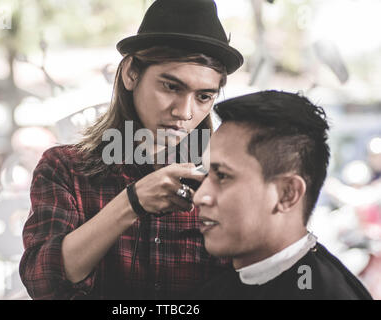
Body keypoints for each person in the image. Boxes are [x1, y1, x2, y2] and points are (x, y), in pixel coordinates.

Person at [19, 0, 244, 299]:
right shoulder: (65, 169)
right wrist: (131, 203)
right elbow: (43, 284)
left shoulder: (223, 182)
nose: (184, 111)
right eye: (171, 87)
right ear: (130, 74)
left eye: (203, 96)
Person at [192, 90, 373, 300]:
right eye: (207, 174)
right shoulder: (223, 285)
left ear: (288, 194)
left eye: (222, 176)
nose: (200, 197)